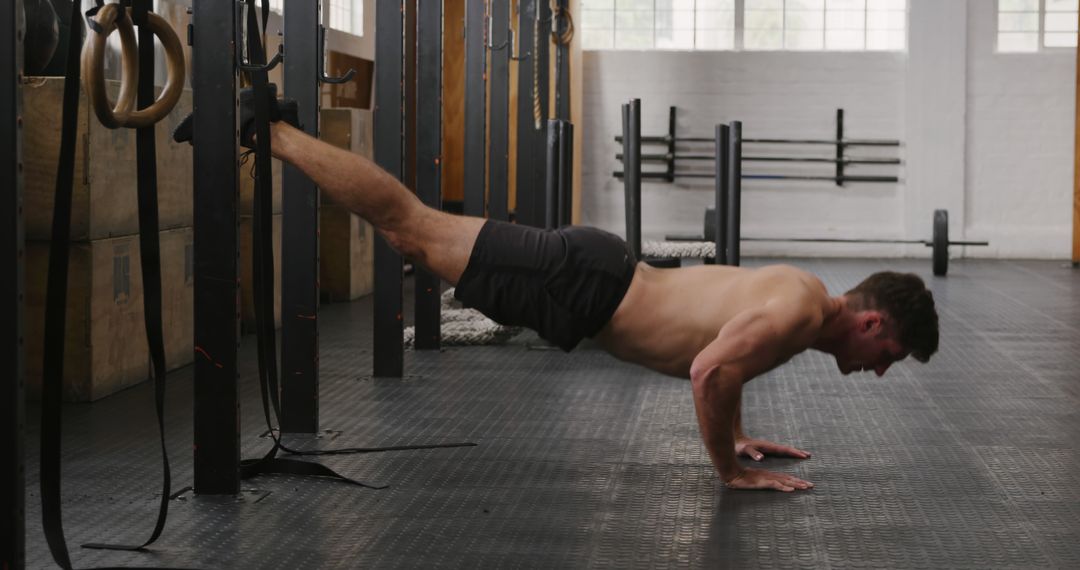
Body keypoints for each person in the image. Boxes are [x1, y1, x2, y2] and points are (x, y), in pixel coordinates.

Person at [175, 91, 939, 492]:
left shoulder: (805, 301)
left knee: (416, 227)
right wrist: (730, 472)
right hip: (583, 284)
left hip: (594, 279)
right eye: (890, 354)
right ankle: (268, 132)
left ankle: (275, 131)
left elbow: (725, 354)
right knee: (410, 227)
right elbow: (710, 372)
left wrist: (737, 432)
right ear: (871, 320)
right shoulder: (801, 312)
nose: (880, 368)